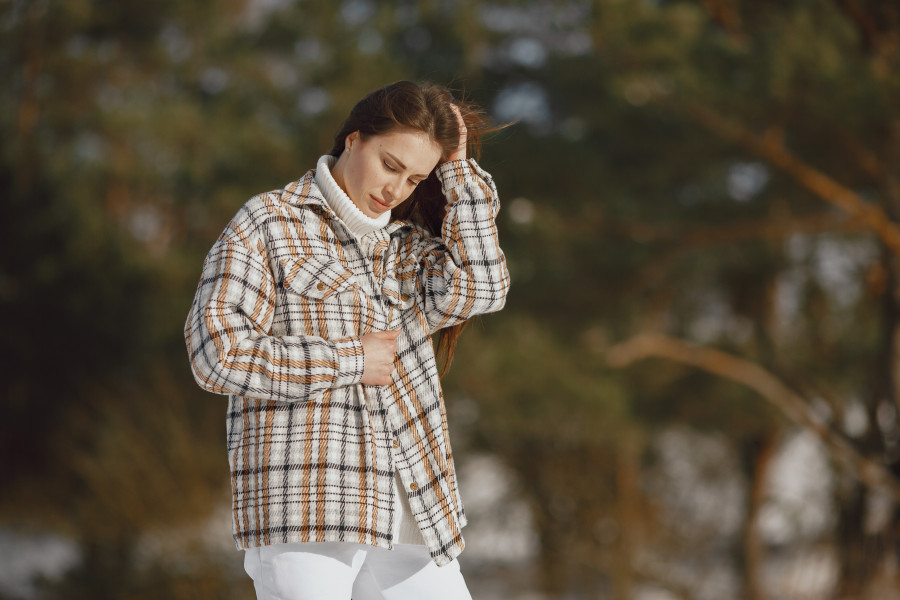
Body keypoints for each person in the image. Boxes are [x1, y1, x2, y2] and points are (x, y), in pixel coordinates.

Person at [184, 80, 510, 600]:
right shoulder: (269, 223)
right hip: (309, 504)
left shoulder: (405, 248)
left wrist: (458, 173)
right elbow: (217, 353)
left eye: (415, 178)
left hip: (411, 506)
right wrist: (350, 360)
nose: (396, 190)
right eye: (390, 165)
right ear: (354, 138)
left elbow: (484, 287)